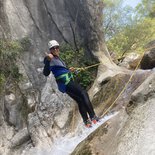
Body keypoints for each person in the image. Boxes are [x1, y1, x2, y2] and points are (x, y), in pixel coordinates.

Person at [43, 40, 99, 127]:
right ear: (50, 50)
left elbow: (59, 70)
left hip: (65, 84)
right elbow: (46, 73)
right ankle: (93, 116)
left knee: (80, 100)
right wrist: (47, 60)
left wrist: (69, 69)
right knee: (83, 93)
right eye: (53, 48)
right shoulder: (50, 59)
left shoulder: (59, 59)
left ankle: (86, 122)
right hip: (66, 82)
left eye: (57, 47)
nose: (56, 49)